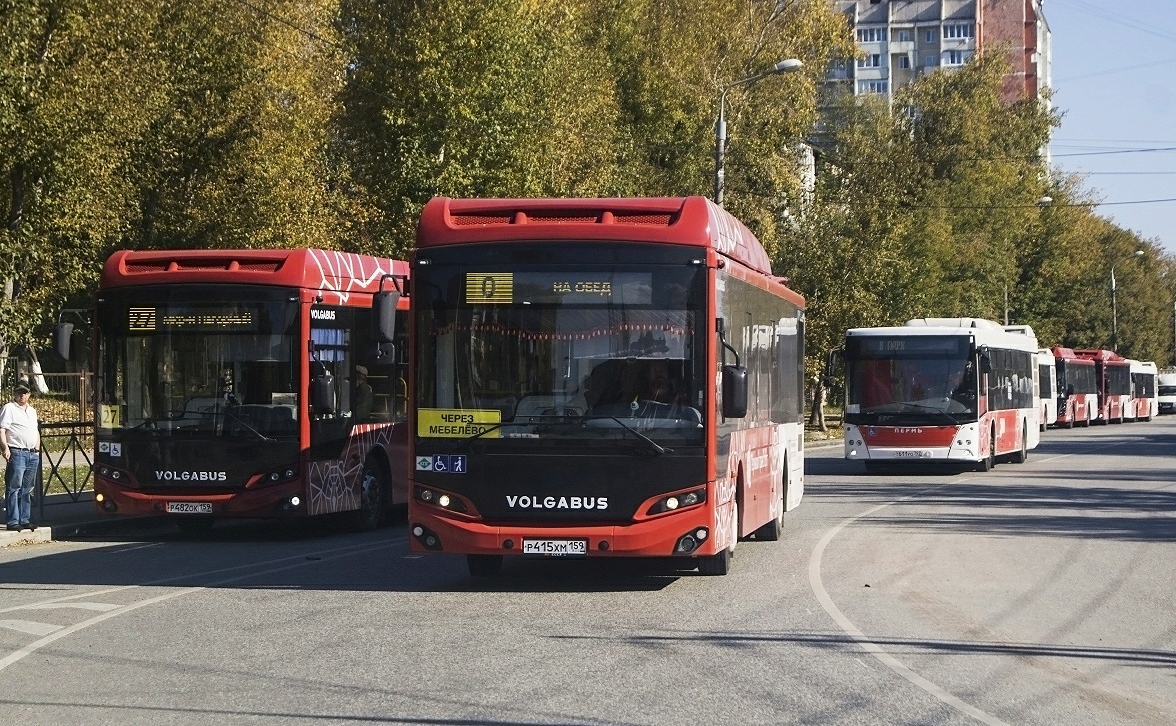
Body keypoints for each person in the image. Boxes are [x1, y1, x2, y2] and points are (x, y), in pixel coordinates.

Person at [2, 382, 40, 532]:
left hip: (32, 453)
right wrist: (5, 448)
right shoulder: (9, 408)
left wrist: (37, 448)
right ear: (14, 393)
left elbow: (35, 430)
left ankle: (25, 519)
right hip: (17, 451)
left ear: (29, 394)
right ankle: (13, 521)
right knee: (14, 487)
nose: (22, 395)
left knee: (27, 488)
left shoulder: (32, 410)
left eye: (24, 393)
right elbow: (2, 429)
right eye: (19, 392)